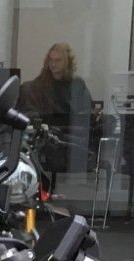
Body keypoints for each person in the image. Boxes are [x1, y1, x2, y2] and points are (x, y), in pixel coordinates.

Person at [19, 42, 95, 185]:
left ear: (67, 62)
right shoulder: (38, 86)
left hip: (73, 131)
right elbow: (31, 112)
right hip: (50, 134)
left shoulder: (77, 84)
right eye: (51, 60)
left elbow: (86, 112)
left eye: (58, 60)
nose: (53, 64)